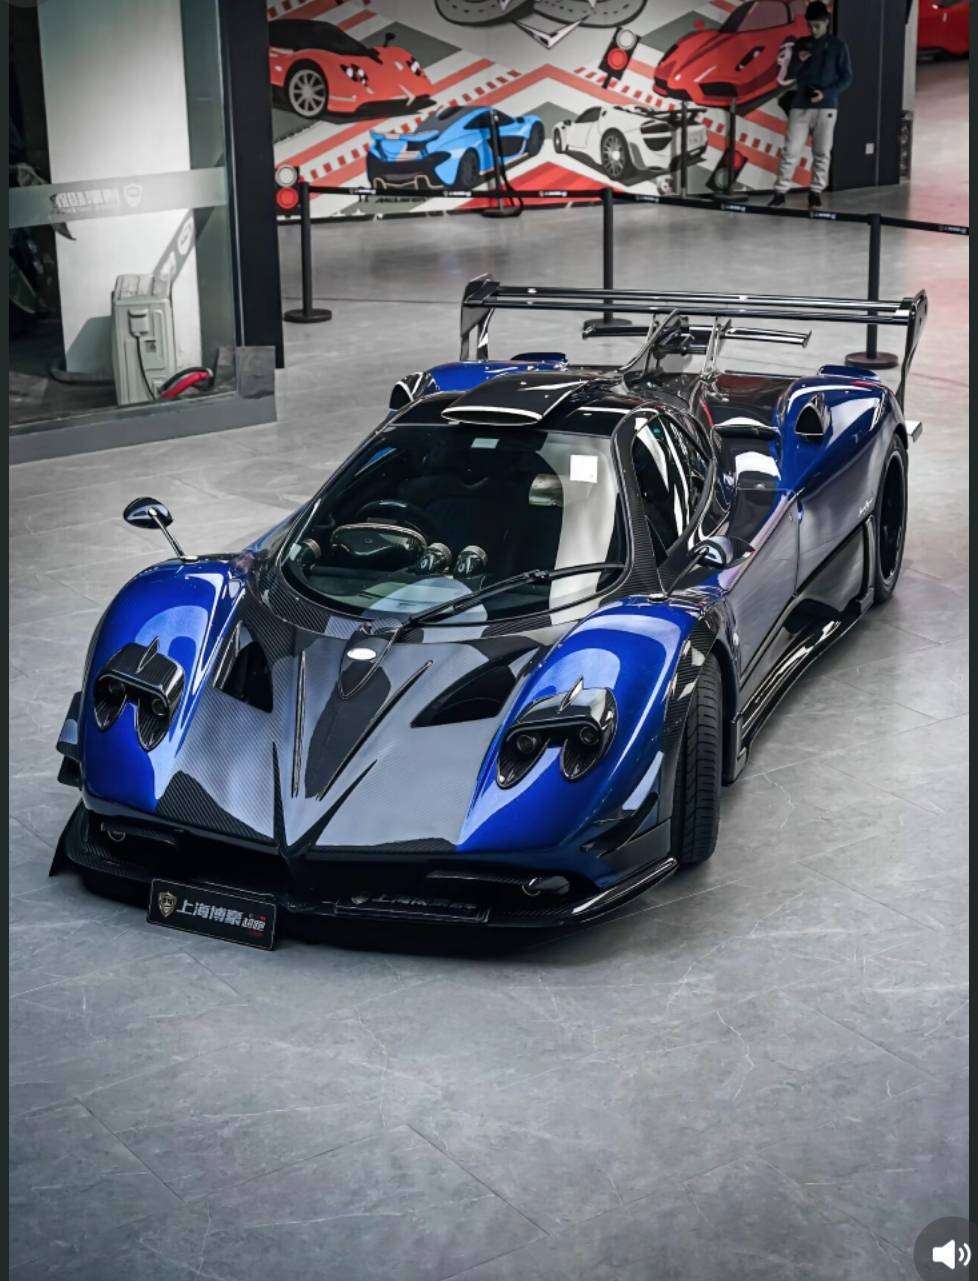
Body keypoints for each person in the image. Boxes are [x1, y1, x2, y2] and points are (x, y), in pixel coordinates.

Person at [769, 2, 852, 209]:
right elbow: (790, 73)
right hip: (800, 104)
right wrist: (798, 59)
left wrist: (825, 93)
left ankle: (815, 192)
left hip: (827, 106)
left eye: (817, 26)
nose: (813, 30)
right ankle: (780, 192)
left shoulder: (838, 45)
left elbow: (847, 78)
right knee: (790, 150)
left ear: (826, 22)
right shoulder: (801, 44)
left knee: (822, 152)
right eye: (810, 26)